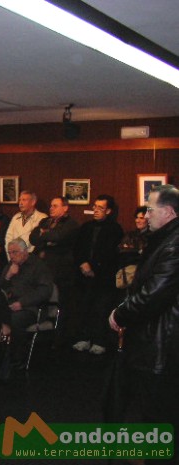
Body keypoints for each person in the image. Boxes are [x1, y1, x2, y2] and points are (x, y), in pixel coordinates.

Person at [109, 185, 179, 435]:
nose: (145, 215)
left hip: (163, 344)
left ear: (169, 212)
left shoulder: (173, 245)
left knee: (159, 415)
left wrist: (120, 313)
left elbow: (153, 295)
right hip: (153, 339)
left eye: (150, 209)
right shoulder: (164, 239)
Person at [72, 195, 123, 355]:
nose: (96, 210)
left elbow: (110, 253)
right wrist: (83, 263)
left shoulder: (115, 229)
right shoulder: (86, 227)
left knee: (101, 309)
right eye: (95, 206)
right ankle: (83, 338)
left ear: (108, 211)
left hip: (104, 277)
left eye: (100, 208)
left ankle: (100, 340)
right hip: (84, 276)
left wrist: (93, 266)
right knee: (84, 307)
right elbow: (78, 248)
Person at [29, 196, 79, 344]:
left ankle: (58, 338)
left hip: (60, 271)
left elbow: (59, 237)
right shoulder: (45, 222)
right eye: (51, 205)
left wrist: (44, 235)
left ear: (65, 208)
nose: (51, 208)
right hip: (42, 269)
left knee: (59, 304)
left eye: (55, 206)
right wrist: (46, 237)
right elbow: (33, 238)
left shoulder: (71, 224)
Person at [0, 238, 53, 366]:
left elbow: (45, 291)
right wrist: (8, 276)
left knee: (15, 319)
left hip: (32, 307)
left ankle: (17, 357)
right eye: (9, 253)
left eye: (15, 252)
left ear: (25, 252)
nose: (12, 256)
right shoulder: (9, 266)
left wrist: (22, 303)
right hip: (10, 304)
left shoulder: (38, 266)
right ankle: (0, 355)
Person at [117, 206, 150, 271]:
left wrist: (132, 249)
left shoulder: (152, 235)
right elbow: (121, 251)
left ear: (148, 219)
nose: (137, 220)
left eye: (141, 218)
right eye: (136, 218)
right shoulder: (130, 235)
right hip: (127, 270)